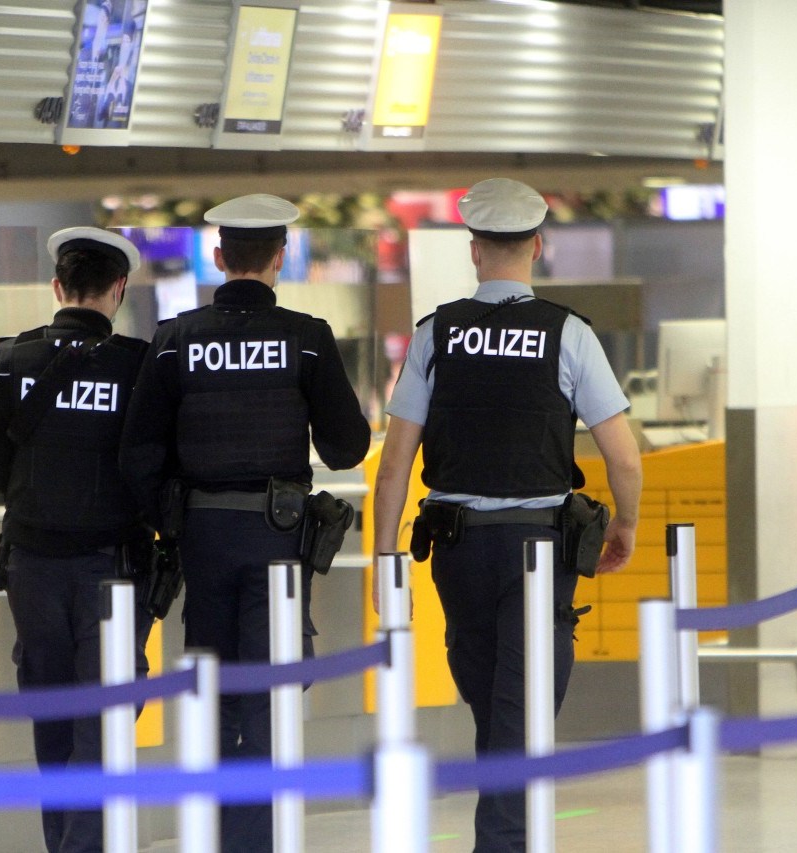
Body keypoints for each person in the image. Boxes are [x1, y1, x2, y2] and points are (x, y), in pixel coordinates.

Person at [372, 178, 643, 853]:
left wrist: (383, 556)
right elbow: (626, 459)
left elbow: (397, 460)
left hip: (458, 551)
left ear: (474, 251)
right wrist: (625, 526)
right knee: (520, 717)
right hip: (539, 551)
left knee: (496, 706)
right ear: (538, 246)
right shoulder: (569, 335)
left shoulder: (435, 335)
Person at [119, 193, 370, 853]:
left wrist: (169, 524)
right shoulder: (307, 339)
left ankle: (226, 832)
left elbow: (138, 452)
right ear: (280, 258)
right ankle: (253, 839)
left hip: (202, 540)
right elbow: (348, 446)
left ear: (221, 256)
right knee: (270, 685)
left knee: (215, 687)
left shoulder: (174, 341)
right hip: (279, 539)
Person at [0, 226, 154, 853]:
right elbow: (150, 464)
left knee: (50, 716)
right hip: (113, 570)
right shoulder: (137, 367)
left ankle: (67, 844)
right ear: (119, 290)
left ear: (58, 288)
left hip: (32, 567)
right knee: (103, 723)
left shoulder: (6, 362)